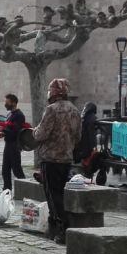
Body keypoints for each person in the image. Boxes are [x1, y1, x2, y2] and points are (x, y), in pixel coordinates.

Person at [32, 79, 81, 243]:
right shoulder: (75, 110)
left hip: (51, 158)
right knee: (59, 192)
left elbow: (41, 134)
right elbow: (78, 136)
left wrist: (33, 132)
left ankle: (62, 229)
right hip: (66, 158)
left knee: (53, 195)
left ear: (53, 93)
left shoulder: (52, 110)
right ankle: (54, 227)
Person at [73, 102, 107, 185]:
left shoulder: (81, 117)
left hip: (79, 145)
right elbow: (91, 134)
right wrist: (93, 146)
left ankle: (85, 179)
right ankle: (88, 180)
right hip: (87, 146)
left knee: (84, 163)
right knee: (89, 164)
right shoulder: (92, 118)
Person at [0, 93, 26, 191]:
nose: (5, 104)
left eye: (7, 102)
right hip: (8, 144)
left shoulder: (19, 115)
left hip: (15, 145)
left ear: (13, 103)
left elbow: (16, 132)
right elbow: (9, 129)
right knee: (5, 170)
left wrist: (3, 130)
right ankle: (6, 192)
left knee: (17, 170)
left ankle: (24, 190)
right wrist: (3, 133)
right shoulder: (9, 114)